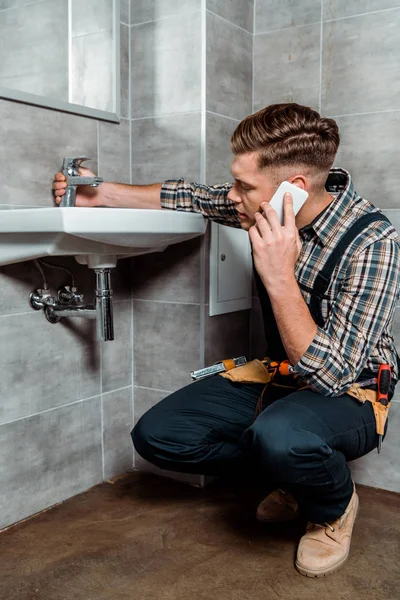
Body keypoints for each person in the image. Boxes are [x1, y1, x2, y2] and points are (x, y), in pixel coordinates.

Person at [53, 103, 400, 577]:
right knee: (159, 436)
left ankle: (331, 507)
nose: (231, 196)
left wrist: (279, 276)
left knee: (283, 438)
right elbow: (190, 196)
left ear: (292, 191)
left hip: (351, 391)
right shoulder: (266, 200)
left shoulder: (373, 242)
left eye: (243, 185)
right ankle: (295, 474)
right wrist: (99, 193)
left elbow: (331, 375)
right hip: (282, 376)